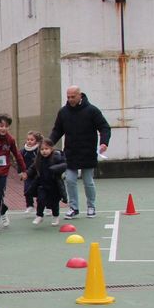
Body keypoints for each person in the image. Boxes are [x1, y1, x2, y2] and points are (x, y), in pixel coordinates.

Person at [48, 85, 112, 219]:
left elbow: (104, 127)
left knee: (88, 181)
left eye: (73, 97)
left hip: (88, 152)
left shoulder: (92, 111)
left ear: (79, 95)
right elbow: (57, 131)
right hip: (71, 152)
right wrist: (49, 144)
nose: (70, 99)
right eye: (68, 97)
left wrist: (104, 143)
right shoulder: (63, 112)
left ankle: (91, 206)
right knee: (70, 180)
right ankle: (73, 207)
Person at [27, 139, 68, 226]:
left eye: (46, 149)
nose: (44, 151)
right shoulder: (39, 159)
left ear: (51, 149)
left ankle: (55, 216)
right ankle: (39, 215)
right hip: (43, 184)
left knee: (54, 203)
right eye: (42, 149)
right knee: (40, 199)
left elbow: (64, 165)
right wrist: (27, 174)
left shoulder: (56, 157)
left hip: (55, 185)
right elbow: (32, 168)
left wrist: (55, 168)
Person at [20, 131, 43, 213]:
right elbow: (19, 162)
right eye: (28, 139)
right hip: (27, 174)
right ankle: (30, 205)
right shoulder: (23, 151)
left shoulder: (39, 150)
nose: (29, 141)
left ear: (36, 141)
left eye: (32, 140)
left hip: (38, 174)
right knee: (27, 189)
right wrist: (21, 172)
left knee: (40, 191)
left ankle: (45, 206)